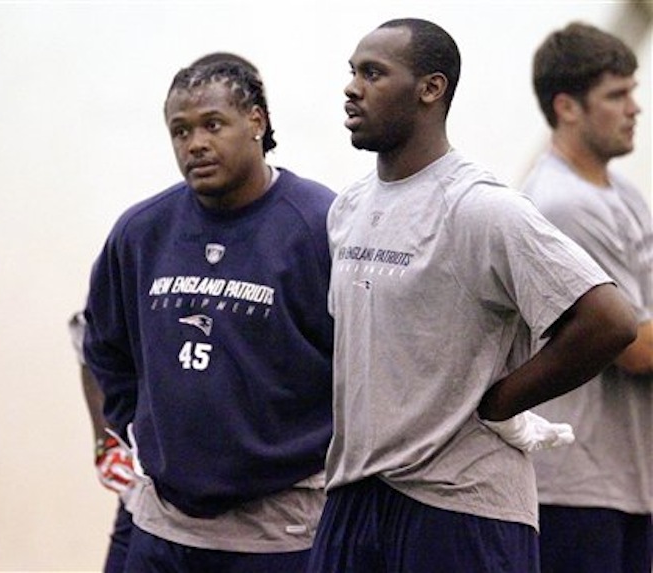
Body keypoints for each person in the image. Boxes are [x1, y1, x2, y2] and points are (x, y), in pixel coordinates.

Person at [306, 17, 638, 572]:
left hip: (459, 507)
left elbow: (609, 320)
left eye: (373, 73)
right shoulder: (349, 208)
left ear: (430, 89)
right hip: (355, 498)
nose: (352, 87)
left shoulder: (480, 207)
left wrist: (503, 400)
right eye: (352, 72)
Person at [82, 55, 335, 572]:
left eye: (212, 125)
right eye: (180, 131)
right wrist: (137, 430)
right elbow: (103, 348)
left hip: (281, 536)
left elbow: (364, 365)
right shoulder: (141, 232)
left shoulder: (318, 226)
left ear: (257, 123)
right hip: (164, 531)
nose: (194, 143)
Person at [522, 22, 652, 573]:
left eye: (633, 92)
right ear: (568, 108)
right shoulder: (564, 205)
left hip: (626, 476)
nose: (634, 109)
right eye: (616, 96)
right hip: (576, 487)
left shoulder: (621, 193)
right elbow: (637, 349)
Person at [69, 310, 138, 572]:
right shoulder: (132, 268)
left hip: (256, 516)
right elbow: (90, 340)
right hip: (149, 498)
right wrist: (106, 442)